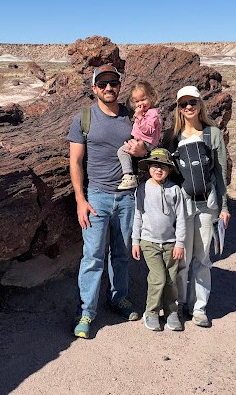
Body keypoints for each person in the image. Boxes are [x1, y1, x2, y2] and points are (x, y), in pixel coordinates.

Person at [67, 64, 148, 339]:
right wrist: (80, 199)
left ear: (119, 85)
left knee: (121, 254)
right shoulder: (84, 119)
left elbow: (147, 144)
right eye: (102, 84)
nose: (108, 88)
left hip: (127, 196)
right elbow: (75, 162)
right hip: (97, 197)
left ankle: (118, 298)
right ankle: (86, 311)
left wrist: (143, 149)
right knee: (92, 257)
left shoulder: (132, 117)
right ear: (94, 89)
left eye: (113, 83)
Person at [168, 85, 231, 328]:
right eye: (183, 104)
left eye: (192, 102)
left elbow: (220, 172)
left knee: (203, 258)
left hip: (208, 204)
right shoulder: (173, 139)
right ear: (179, 108)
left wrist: (225, 207)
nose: (189, 107)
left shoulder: (212, 134)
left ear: (199, 104)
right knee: (182, 256)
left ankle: (200, 308)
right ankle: (180, 303)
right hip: (183, 206)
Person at [131, 148, 186, 332]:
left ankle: (171, 312)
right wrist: (135, 241)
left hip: (171, 244)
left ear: (169, 170)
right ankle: (151, 312)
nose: (159, 169)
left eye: (163, 166)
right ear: (148, 168)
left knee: (171, 279)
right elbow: (138, 215)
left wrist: (179, 243)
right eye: (155, 165)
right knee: (158, 278)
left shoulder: (175, 190)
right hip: (148, 242)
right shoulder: (142, 189)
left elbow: (181, 218)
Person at [117, 81, 162, 190]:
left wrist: (140, 117)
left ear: (152, 97)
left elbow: (149, 130)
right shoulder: (147, 113)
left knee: (122, 151)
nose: (140, 103)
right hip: (143, 141)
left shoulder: (152, 113)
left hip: (146, 142)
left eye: (143, 99)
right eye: (137, 101)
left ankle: (128, 176)